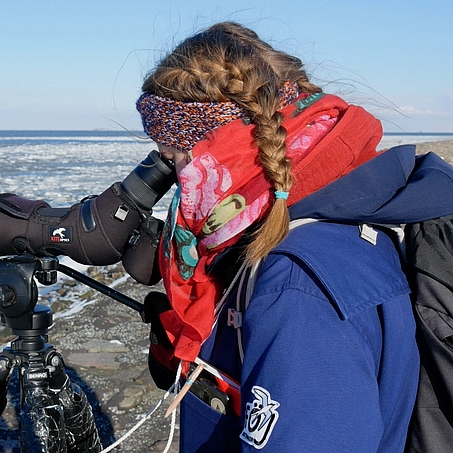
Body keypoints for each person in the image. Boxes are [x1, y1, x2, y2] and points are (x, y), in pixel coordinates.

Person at [135, 21, 453, 452]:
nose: (177, 184)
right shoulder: (346, 204)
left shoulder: (296, 289)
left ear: (217, 153)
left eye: (175, 159)